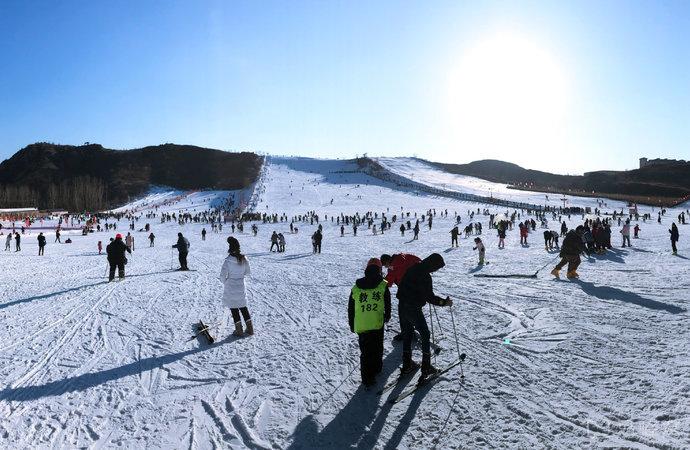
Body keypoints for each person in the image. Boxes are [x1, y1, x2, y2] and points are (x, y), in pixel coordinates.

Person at [396, 253, 453, 377]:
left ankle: (407, 364)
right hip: (413, 308)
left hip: (402, 305)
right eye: (436, 268)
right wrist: (444, 302)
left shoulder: (412, 268)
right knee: (425, 334)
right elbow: (430, 297)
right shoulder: (425, 276)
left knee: (407, 333)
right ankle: (426, 367)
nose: (435, 270)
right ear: (432, 264)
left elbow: (403, 286)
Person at [348, 258, 391, 386]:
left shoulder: (356, 287)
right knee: (377, 347)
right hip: (377, 322)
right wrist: (387, 316)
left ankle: (367, 378)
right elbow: (387, 303)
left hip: (362, 324)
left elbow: (351, 308)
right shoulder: (383, 284)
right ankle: (377, 368)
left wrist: (351, 323)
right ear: (379, 270)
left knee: (366, 352)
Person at [220, 237, 253, 336]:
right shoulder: (244, 258)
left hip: (231, 285)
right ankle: (250, 329)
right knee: (243, 306)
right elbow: (248, 272)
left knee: (234, 308)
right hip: (241, 284)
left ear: (230, 248)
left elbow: (222, 275)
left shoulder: (228, 261)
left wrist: (226, 282)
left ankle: (239, 330)